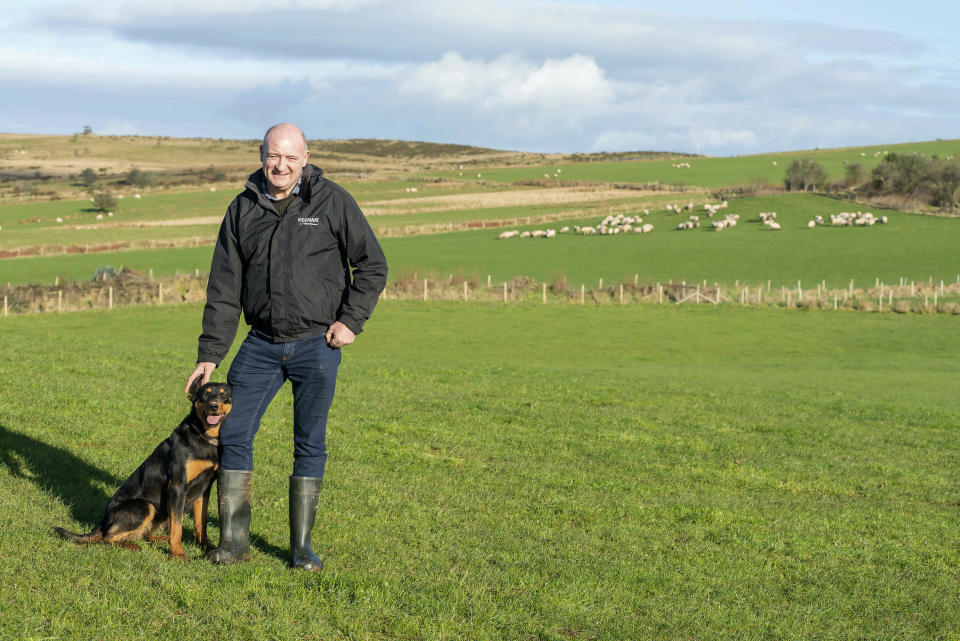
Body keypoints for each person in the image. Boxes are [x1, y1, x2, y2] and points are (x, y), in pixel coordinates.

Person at [184, 123, 387, 571]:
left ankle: (301, 550)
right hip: (260, 344)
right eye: (274, 156)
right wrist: (210, 353)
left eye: (291, 158)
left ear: (306, 158)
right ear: (261, 155)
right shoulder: (242, 209)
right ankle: (234, 543)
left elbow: (373, 265)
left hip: (318, 344)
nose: (281, 166)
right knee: (233, 433)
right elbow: (224, 288)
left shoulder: (332, 202)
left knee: (308, 442)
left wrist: (350, 321)